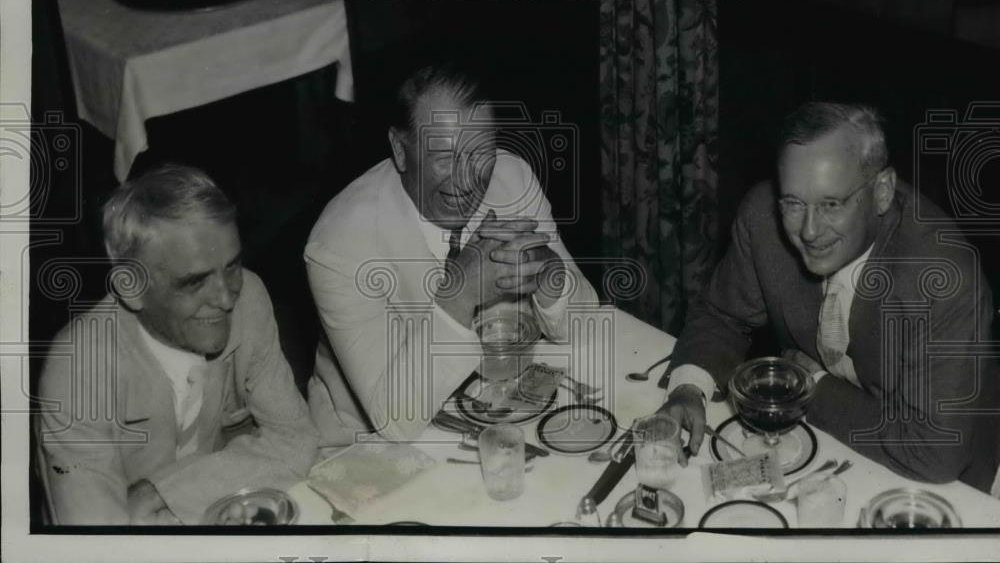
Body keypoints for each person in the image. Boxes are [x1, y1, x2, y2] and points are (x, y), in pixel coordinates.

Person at [660, 102, 998, 491]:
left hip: (950, 478)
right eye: (793, 203)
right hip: (830, 443)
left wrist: (811, 384)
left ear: (883, 191)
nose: (808, 230)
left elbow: (933, 451)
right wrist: (689, 388)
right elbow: (722, 315)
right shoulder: (762, 218)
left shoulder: (944, 275)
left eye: (831, 204)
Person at [305, 63, 598, 444]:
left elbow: (584, 325)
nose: (468, 180)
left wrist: (547, 273)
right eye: (444, 157)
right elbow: (395, 420)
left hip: (493, 408)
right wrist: (459, 294)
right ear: (399, 149)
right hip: (366, 441)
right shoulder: (338, 244)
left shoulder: (512, 179)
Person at [37, 165, 318, 525]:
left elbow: (296, 439)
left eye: (231, 266)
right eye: (194, 281)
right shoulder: (77, 366)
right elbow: (95, 539)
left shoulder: (249, 298)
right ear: (131, 287)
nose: (226, 297)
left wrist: (160, 492)